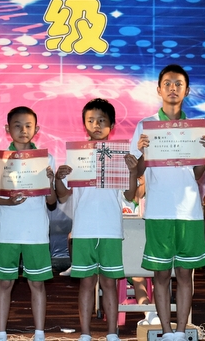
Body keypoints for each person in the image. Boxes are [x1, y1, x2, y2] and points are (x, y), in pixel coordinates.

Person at [130, 64, 205, 341]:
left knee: (186, 276)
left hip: (189, 211)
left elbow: (197, 174)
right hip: (159, 211)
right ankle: (166, 332)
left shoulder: (196, 128)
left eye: (178, 84)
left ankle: (181, 330)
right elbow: (137, 170)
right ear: (159, 89)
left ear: (187, 90)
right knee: (161, 276)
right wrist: (142, 152)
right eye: (167, 83)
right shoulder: (146, 126)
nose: (173, 88)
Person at [55, 98, 139, 341]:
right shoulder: (76, 156)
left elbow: (130, 195)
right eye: (91, 120)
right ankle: (85, 334)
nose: (96, 125)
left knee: (109, 284)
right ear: (84, 124)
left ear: (112, 125)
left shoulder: (120, 156)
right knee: (86, 284)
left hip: (111, 228)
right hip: (84, 229)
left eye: (102, 120)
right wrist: (59, 178)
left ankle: (112, 333)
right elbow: (63, 195)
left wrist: (133, 171)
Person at [0, 106, 57, 341]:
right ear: (7, 129)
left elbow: (52, 201)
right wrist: (8, 202)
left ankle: (39, 333)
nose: (23, 130)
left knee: (37, 284)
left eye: (28, 126)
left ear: (37, 129)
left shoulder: (46, 159)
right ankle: (1, 333)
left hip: (36, 232)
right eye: (17, 125)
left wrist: (50, 181)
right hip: (7, 232)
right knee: (4, 283)